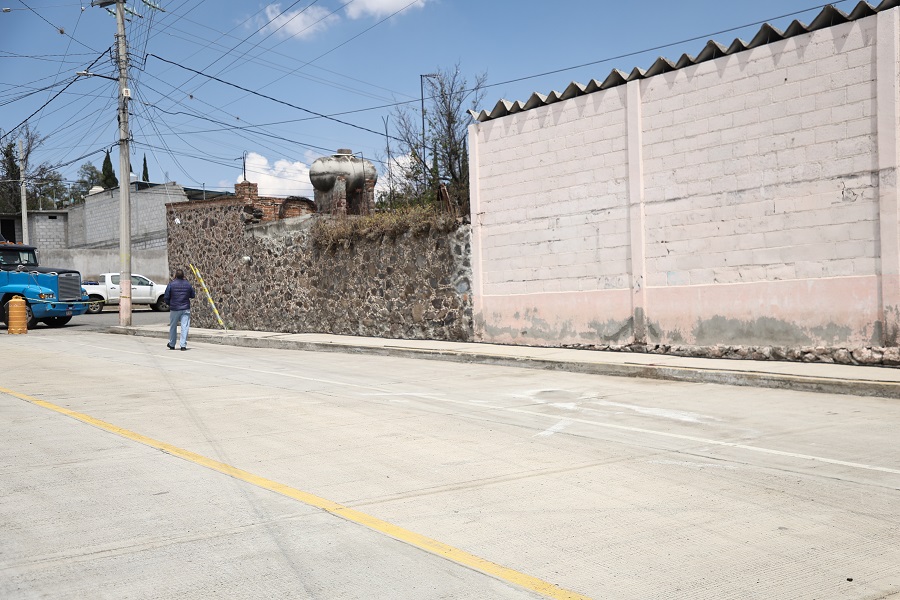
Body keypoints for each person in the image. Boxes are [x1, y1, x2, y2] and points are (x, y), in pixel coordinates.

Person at [164, 268, 196, 351]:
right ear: (183, 276)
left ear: (175, 276)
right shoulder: (188, 284)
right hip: (185, 308)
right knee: (184, 327)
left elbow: (166, 296)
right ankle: (183, 345)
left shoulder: (171, 284)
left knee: (173, 326)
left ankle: (172, 344)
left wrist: (169, 303)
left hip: (174, 308)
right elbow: (193, 295)